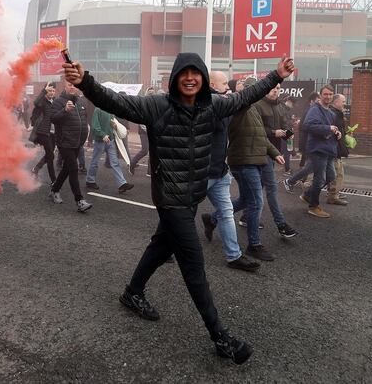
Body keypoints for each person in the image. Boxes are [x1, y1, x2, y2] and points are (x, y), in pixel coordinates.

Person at [63, 51, 295, 364]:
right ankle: (219, 337)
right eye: (183, 73)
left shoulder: (213, 106)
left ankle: (133, 292)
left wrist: (276, 75)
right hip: (170, 199)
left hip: (192, 196)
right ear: (175, 77)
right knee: (193, 266)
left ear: (202, 77)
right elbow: (115, 101)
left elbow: (245, 97)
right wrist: (86, 82)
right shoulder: (157, 106)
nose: (189, 78)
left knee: (160, 246)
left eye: (195, 73)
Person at [228, 77, 297, 261]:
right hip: (245, 160)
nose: (274, 91)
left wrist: (275, 152)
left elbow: (260, 136)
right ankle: (254, 244)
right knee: (257, 201)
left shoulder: (253, 109)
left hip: (257, 157)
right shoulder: (240, 107)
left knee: (246, 199)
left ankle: (212, 219)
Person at [199, 71, 261, 272]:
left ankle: (234, 256)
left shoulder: (222, 101)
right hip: (202, 173)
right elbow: (222, 120)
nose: (228, 86)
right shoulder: (207, 103)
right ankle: (161, 249)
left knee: (226, 214)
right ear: (212, 84)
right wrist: (236, 101)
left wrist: (239, 100)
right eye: (224, 83)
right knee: (179, 214)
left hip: (219, 171)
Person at [49, 81, 92, 212]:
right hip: (64, 142)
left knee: (67, 169)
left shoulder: (80, 101)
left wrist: (86, 139)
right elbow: (53, 118)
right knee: (73, 168)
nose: (72, 86)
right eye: (69, 85)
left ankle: (54, 190)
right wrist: (65, 110)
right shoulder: (58, 101)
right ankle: (79, 200)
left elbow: (84, 121)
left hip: (77, 142)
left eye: (74, 85)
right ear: (65, 86)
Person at [300, 85, 340, 218]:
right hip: (317, 148)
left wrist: (337, 133)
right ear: (321, 95)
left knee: (331, 176)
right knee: (320, 178)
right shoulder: (315, 109)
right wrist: (328, 128)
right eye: (325, 94)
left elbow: (331, 128)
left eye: (330, 94)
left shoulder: (331, 113)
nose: (328, 96)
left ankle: (307, 195)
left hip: (328, 149)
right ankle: (313, 206)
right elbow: (307, 126)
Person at [85, 107, 134, 194]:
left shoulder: (110, 110)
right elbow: (95, 126)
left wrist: (115, 126)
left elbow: (112, 122)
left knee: (115, 162)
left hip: (110, 140)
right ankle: (90, 180)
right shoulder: (98, 109)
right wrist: (103, 135)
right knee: (95, 161)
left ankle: (122, 184)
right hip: (100, 141)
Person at [282, 91, 321, 193]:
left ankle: (299, 180)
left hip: (291, 134)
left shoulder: (311, 110)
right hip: (287, 134)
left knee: (293, 153)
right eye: (317, 100)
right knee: (287, 151)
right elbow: (284, 123)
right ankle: (289, 174)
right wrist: (290, 134)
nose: (292, 105)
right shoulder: (285, 109)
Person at [325, 94, 349, 206]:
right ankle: (332, 196)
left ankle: (334, 194)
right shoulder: (332, 114)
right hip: (333, 150)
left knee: (335, 174)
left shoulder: (338, 114)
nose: (345, 103)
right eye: (343, 101)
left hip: (336, 149)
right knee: (337, 174)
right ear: (335, 102)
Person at [30, 82, 57, 183]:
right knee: (50, 155)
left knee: (51, 155)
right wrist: (44, 90)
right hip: (43, 132)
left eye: (53, 91)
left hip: (53, 133)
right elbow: (36, 103)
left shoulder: (55, 101)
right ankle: (54, 180)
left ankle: (35, 169)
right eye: (49, 91)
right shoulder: (42, 101)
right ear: (46, 91)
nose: (51, 93)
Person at [129, 86, 156, 176]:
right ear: (147, 94)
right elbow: (141, 120)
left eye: (153, 93)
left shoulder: (154, 104)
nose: (151, 94)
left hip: (151, 131)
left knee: (153, 150)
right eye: (150, 93)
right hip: (144, 131)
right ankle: (132, 163)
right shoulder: (143, 104)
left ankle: (149, 171)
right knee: (145, 150)